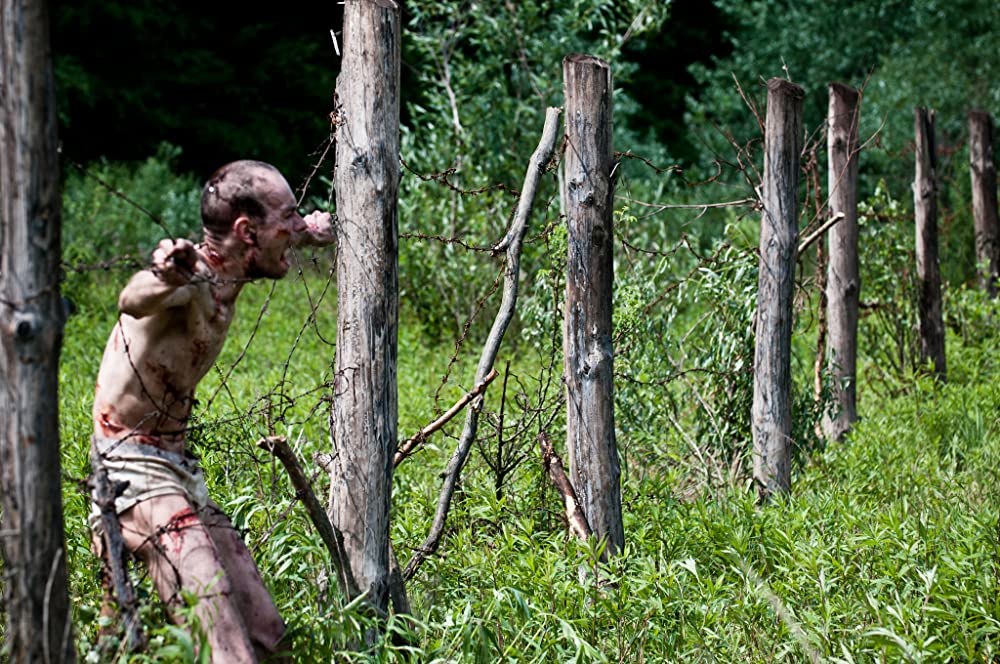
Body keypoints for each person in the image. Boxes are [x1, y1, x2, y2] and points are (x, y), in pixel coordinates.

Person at [89, 160, 334, 662]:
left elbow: (290, 231)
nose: (294, 225)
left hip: (179, 471)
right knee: (225, 645)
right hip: (130, 473)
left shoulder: (239, 263)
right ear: (247, 231)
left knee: (266, 635)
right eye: (287, 217)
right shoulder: (193, 280)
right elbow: (133, 298)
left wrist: (311, 230)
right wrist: (164, 273)